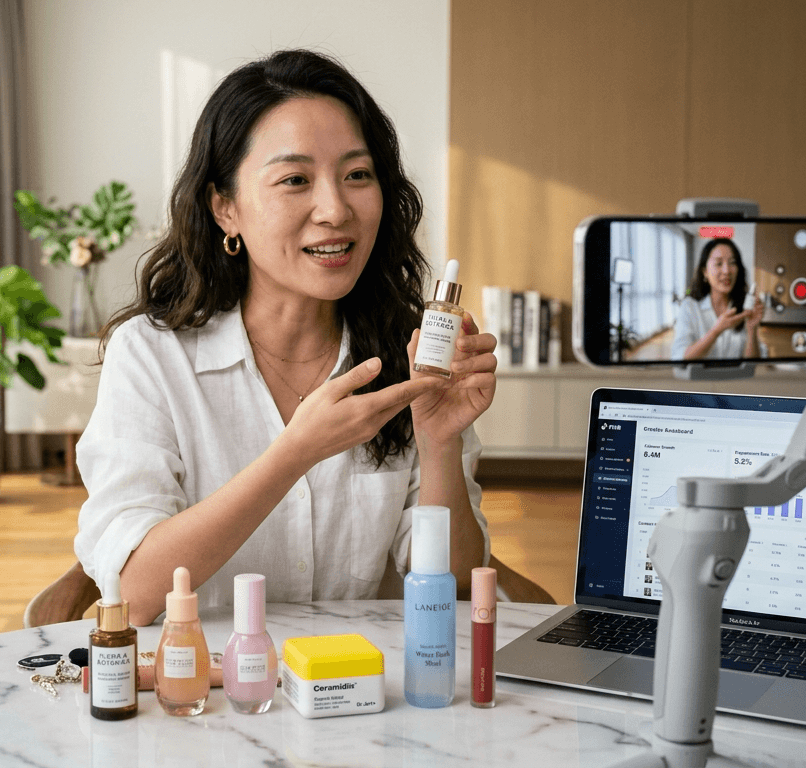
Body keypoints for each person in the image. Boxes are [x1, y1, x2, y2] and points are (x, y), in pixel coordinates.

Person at [73, 50, 497, 625]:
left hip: (364, 700)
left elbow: (459, 597)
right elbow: (137, 596)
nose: (335, 208)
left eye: (357, 175)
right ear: (225, 208)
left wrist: (441, 443)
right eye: (295, 179)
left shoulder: (414, 357)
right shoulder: (151, 355)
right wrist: (295, 453)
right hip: (206, 696)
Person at [670, 237, 764, 360]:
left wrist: (752, 329)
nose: (726, 271)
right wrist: (715, 332)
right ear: (705, 271)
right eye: (719, 264)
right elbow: (680, 358)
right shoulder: (689, 307)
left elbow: (753, 365)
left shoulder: (745, 308)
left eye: (732, 263)